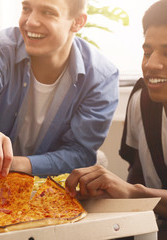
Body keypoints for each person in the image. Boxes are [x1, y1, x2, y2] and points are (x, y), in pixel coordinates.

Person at [0, 0, 119, 178]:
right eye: (26, 9)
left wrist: (15, 164)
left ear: (78, 22)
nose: (30, 22)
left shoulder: (101, 77)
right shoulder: (0, 48)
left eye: (47, 12)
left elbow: (80, 153)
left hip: (50, 184)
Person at [66, 1, 167, 238]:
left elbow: (135, 190)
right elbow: (136, 179)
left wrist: (134, 192)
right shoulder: (142, 101)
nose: (151, 64)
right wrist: (109, 190)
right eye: (147, 52)